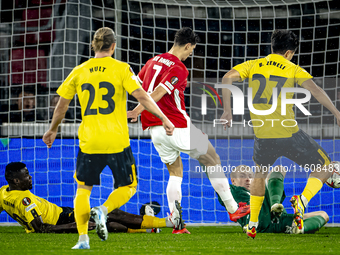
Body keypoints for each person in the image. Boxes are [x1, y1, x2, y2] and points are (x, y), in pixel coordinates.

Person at [42, 27, 175, 249]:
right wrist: (164, 118)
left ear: (93, 46)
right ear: (113, 46)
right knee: (129, 186)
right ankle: (102, 211)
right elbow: (141, 95)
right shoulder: (122, 69)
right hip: (116, 140)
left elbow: (61, 105)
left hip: (89, 141)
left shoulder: (79, 70)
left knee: (83, 189)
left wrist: (52, 129)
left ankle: (83, 239)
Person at [127, 27, 250, 234]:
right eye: (191, 49)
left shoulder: (152, 61)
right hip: (176, 124)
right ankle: (233, 208)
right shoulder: (179, 68)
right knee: (212, 158)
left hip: (154, 129)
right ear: (186, 45)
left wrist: (139, 109)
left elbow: (138, 84)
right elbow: (157, 92)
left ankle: (176, 222)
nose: (191, 53)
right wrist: (138, 110)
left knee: (175, 172)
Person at [220, 29, 340, 238]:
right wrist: (336, 112)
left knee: (260, 175)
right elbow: (316, 91)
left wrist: (227, 110)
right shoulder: (292, 68)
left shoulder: (254, 64)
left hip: (263, 135)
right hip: (287, 132)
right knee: (326, 166)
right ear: (288, 53)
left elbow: (227, 77)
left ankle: (253, 223)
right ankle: (302, 200)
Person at [0, 162, 183, 235]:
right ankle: (165, 223)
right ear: (16, 180)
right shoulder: (25, 201)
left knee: (108, 224)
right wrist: (76, 226)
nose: (30, 177)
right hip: (62, 220)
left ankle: (147, 230)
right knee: (112, 214)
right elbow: (42, 229)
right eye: (26, 175)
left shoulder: (3, 192)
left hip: (62, 212)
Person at [218, 165, 329, 234]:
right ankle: (275, 204)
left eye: (251, 176)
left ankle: (298, 229)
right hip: (255, 218)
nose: (248, 179)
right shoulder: (232, 190)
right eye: (242, 176)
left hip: (276, 221)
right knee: (279, 169)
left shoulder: (261, 190)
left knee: (324, 215)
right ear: (233, 181)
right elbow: (220, 188)